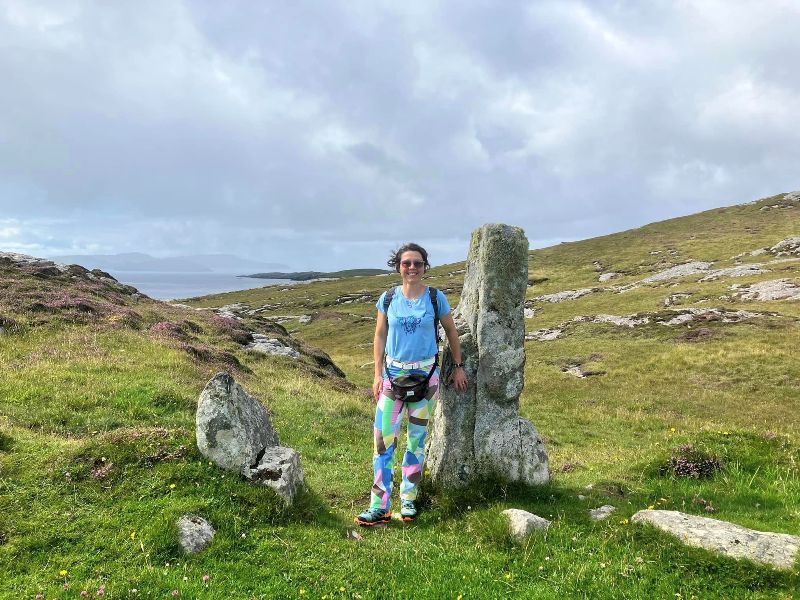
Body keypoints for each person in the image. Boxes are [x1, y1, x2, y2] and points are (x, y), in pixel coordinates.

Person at [355, 243, 468, 526]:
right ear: (399, 267)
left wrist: (458, 366)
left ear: (425, 266)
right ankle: (379, 506)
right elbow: (380, 335)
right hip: (392, 378)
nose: (412, 268)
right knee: (383, 442)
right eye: (407, 263)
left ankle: (409, 499)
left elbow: (451, 331)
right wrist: (378, 373)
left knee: (416, 440)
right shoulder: (389, 298)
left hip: (426, 379)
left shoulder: (435, 297)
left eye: (417, 263)